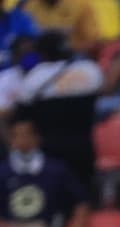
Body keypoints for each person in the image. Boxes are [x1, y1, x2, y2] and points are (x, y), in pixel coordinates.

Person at [16, 31, 102, 188]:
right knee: (83, 193)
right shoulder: (90, 70)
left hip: (49, 149)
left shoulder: (33, 78)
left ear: (41, 53)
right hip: (83, 146)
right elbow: (104, 90)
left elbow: (23, 119)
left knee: (53, 195)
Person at [0, 116, 87, 227]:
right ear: (10, 140)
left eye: (27, 134)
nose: (23, 140)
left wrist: (78, 226)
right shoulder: (2, 172)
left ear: (37, 138)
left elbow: (81, 202)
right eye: (17, 135)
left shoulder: (56, 169)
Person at [19, 0, 99, 56]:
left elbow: (93, 41)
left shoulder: (80, 4)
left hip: (71, 57)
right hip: (39, 58)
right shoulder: (29, 5)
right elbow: (21, 40)